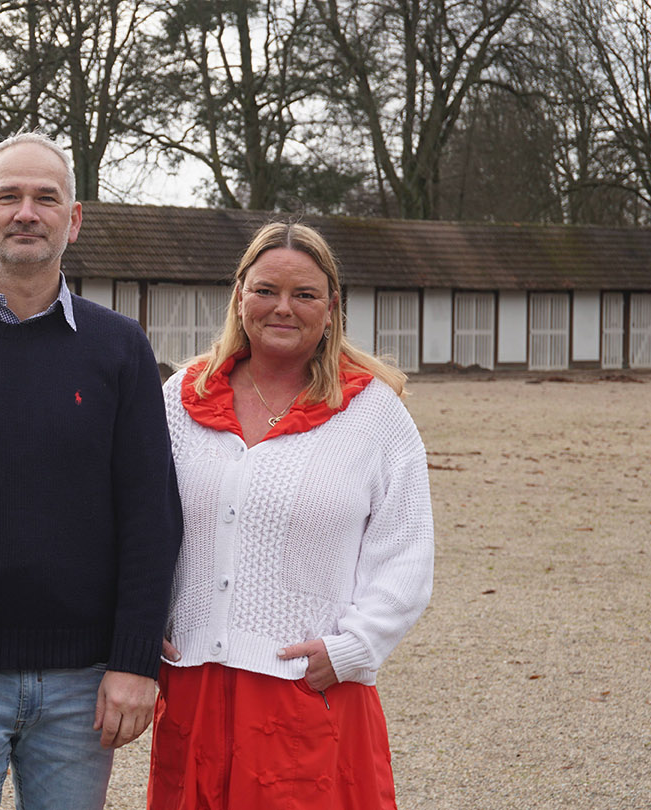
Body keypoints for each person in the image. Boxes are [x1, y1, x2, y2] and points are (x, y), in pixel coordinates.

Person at [0, 132, 183, 810]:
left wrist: (134, 661)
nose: (26, 212)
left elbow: (150, 514)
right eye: (8, 196)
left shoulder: (121, 350)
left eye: (46, 198)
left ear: (73, 221)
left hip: (83, 685)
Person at [148, 222, 434, 809]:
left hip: (309, 690)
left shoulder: (373, 414)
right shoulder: (180, 399)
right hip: (193, 689)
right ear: (239, 297)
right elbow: (137, 522)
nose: (283, 307)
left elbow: (405, 552)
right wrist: (138, 619)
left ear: (331, 308)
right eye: (265, 290)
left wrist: (354, 648)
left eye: (304, 295)